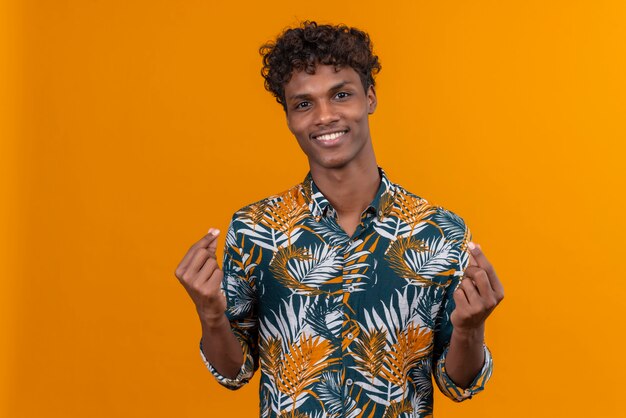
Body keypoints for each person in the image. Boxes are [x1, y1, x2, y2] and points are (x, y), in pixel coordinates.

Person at [175, 21, 504, 418]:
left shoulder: (441, 232)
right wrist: (210, 315)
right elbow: (234, 370)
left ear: (370, 97)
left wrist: (470, 330)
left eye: (341, 94)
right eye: (303, 103)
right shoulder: (255, 229)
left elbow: (459, 383)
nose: (324, 116)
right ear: (288, 117)